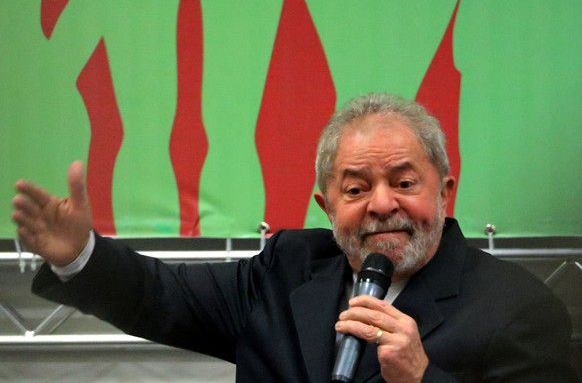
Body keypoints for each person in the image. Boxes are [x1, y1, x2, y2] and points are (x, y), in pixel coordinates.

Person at [12, 93, 576, 382]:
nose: (382, 204)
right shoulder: (286, 268)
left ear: (445, 191)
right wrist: (80, 257)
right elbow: (162, 296)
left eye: (404, 182)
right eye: (356, 189)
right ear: (326, 206)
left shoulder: (519, 309)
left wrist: (423, 377)